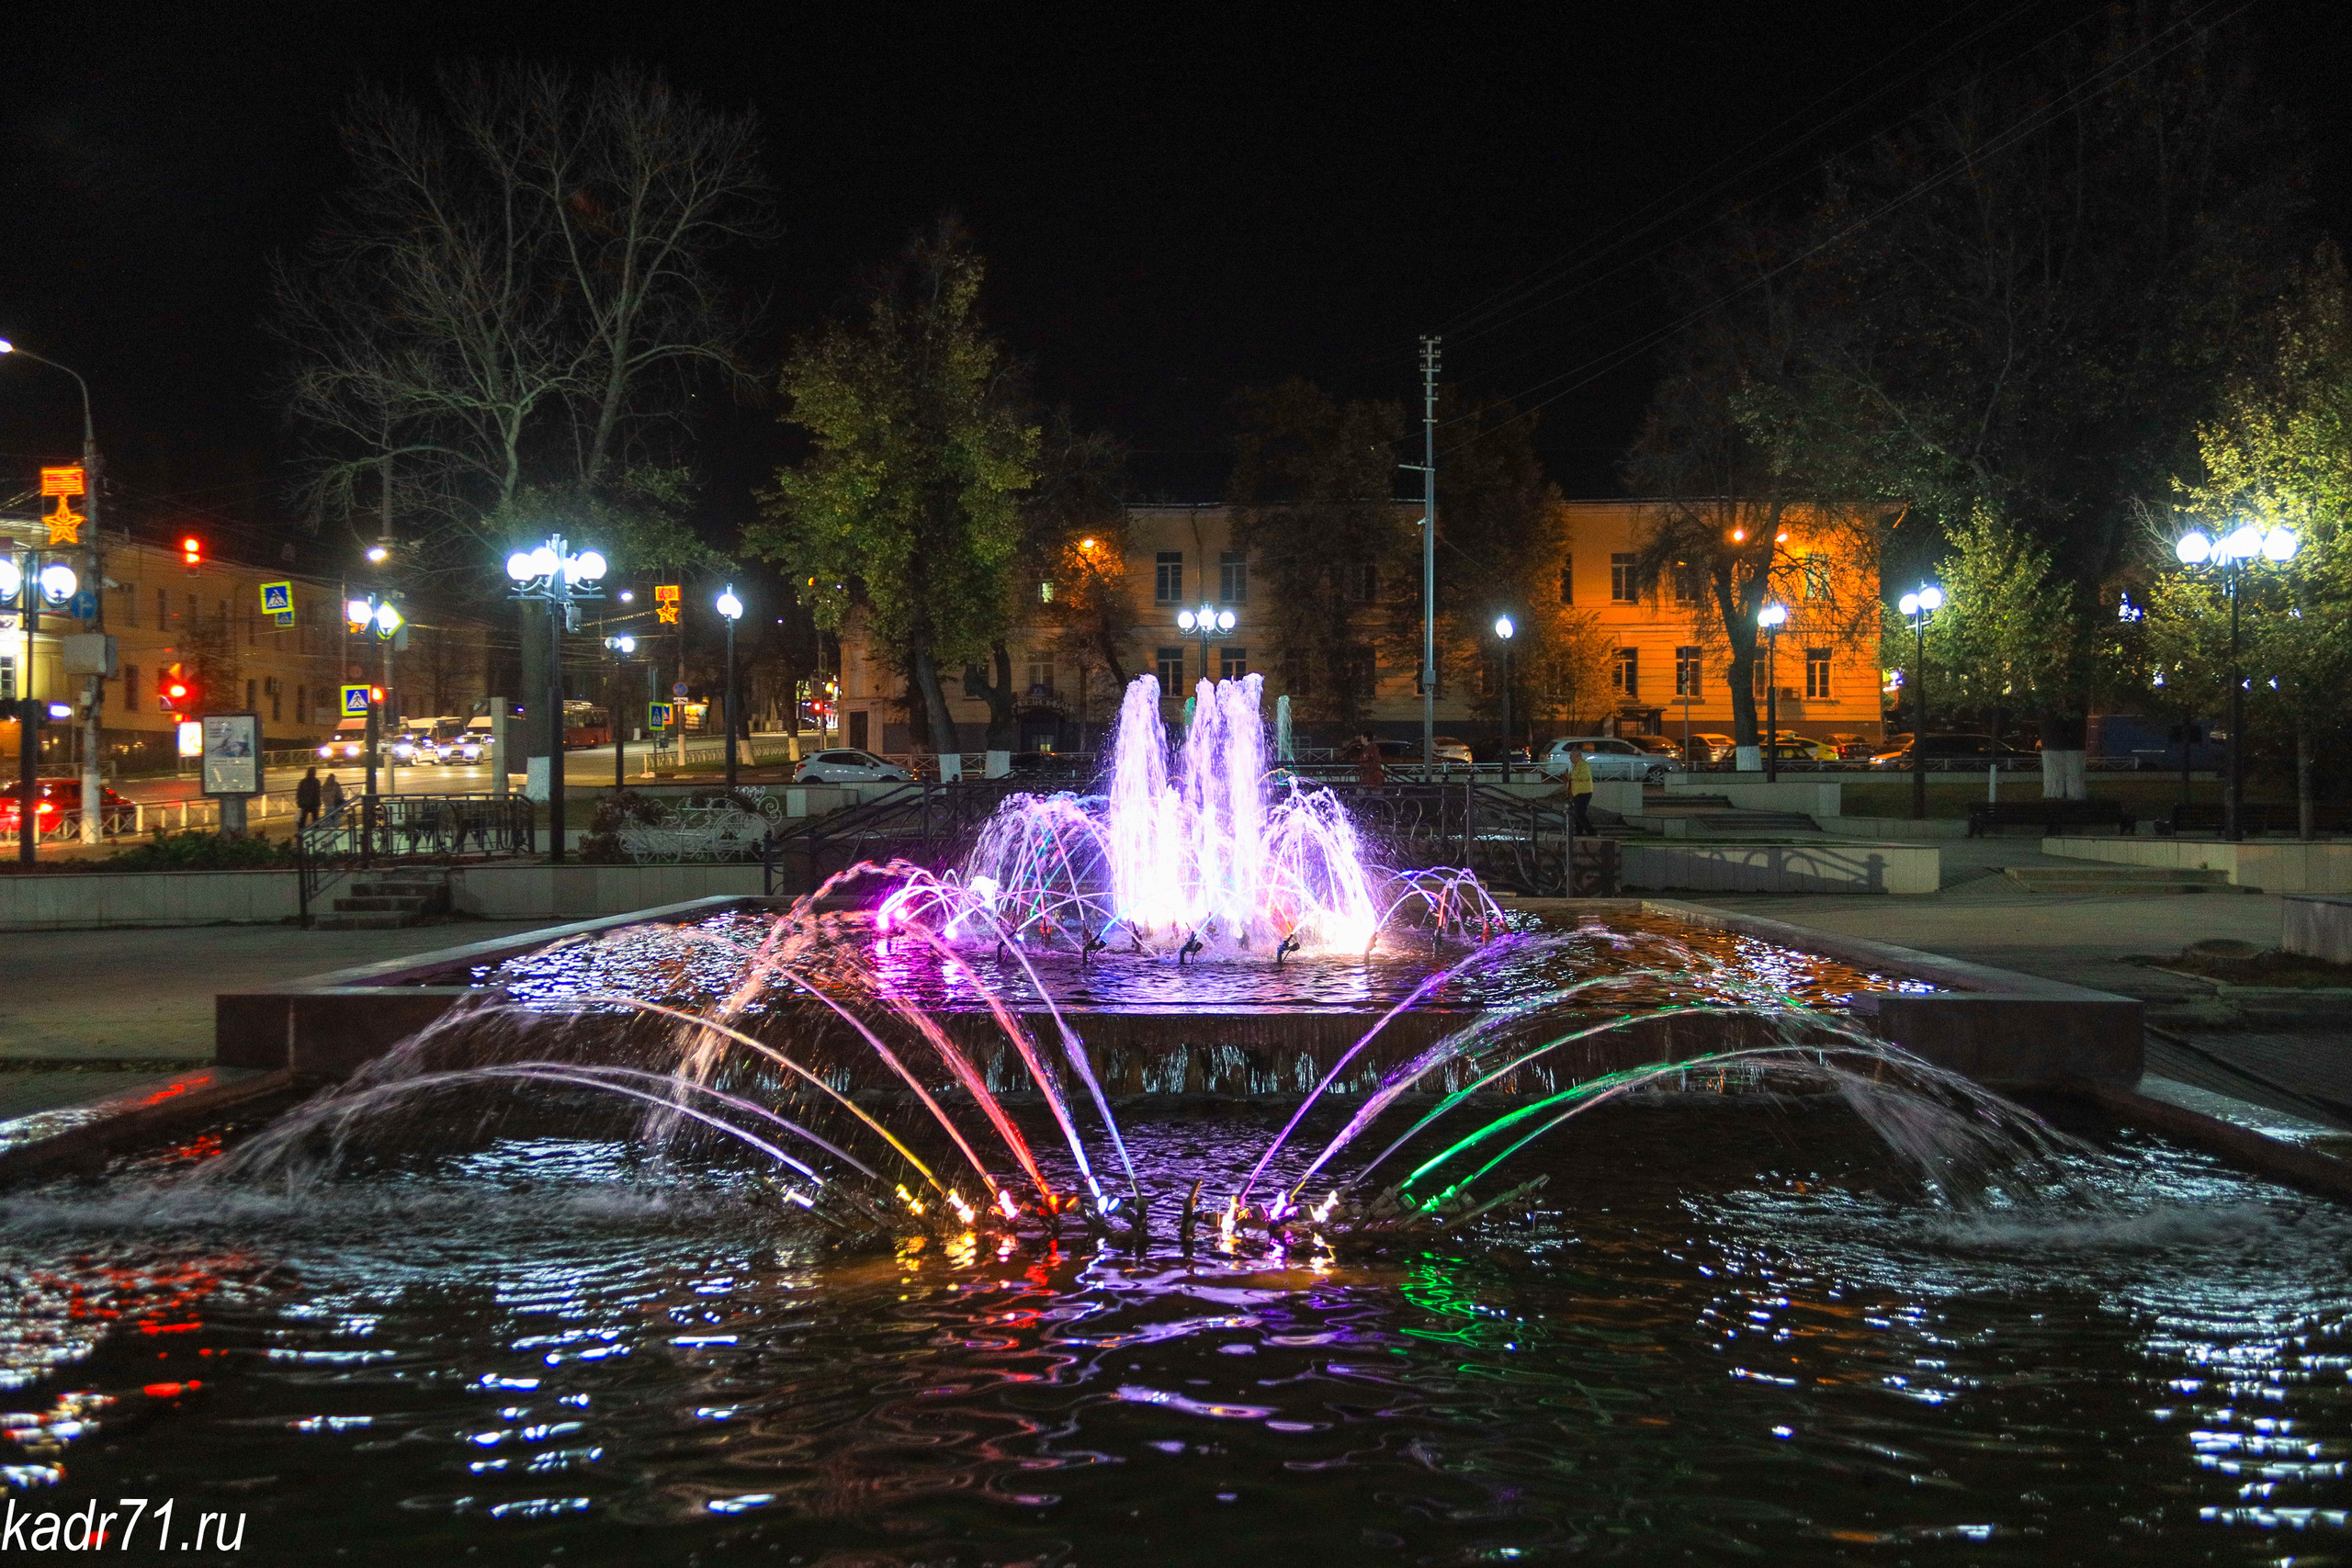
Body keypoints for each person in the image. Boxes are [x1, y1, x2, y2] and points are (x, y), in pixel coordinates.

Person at [1568, 743, 1596, 835]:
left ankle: (1591, 832)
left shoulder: (1583, 765)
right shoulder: (1577, 765)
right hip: (1578, 792)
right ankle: (1579, 832)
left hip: (1583, 792)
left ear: (1577, 757)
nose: (1570, 759)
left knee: (1579, 813)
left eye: (1571, 757)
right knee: (1578, 813)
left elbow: (1584, 777)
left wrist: (1572, 776)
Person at [295, 767, 322, 831]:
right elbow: (317, 793)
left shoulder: (303, 782)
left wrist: (299, 801)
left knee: (303, 819)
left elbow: (299, 792)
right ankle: (316, 832)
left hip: (304, 803)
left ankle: (301, 832)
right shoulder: (316, 782)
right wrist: (318, 803)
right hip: (313, 803)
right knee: (315, 819)